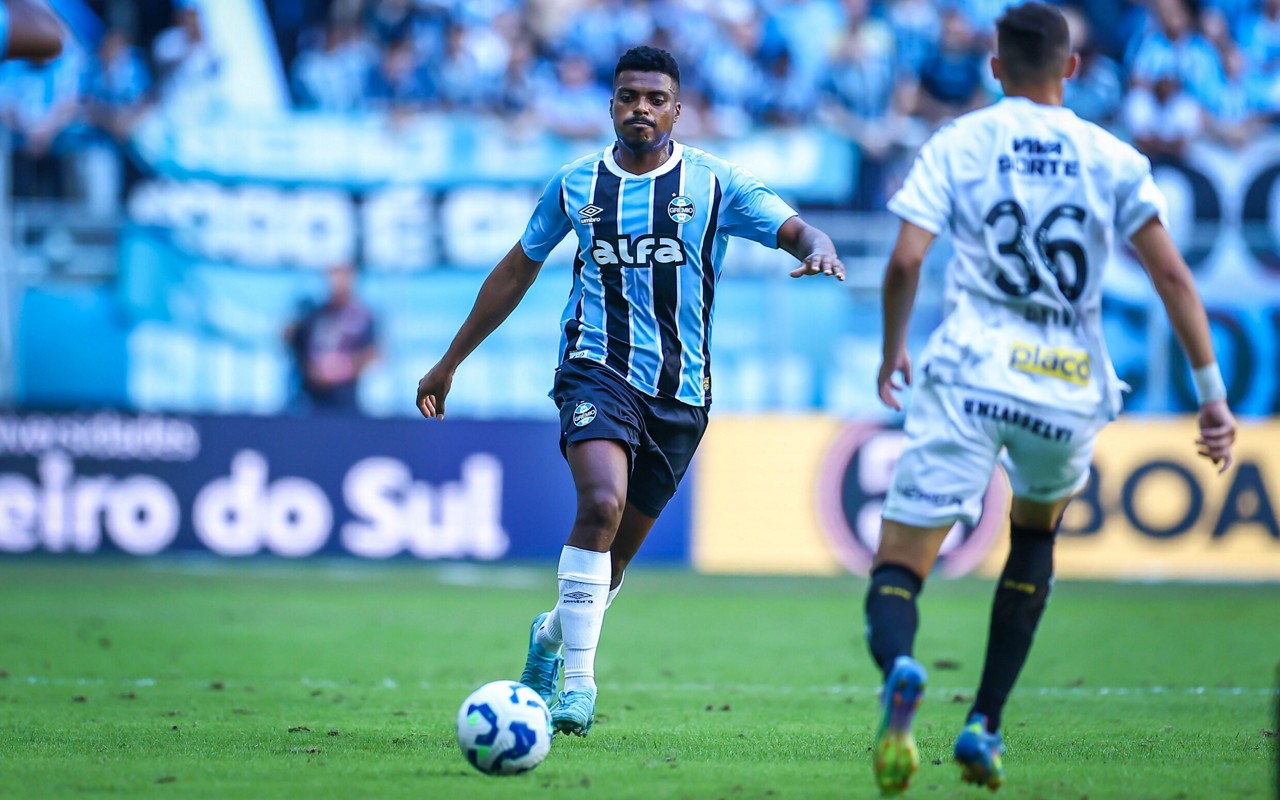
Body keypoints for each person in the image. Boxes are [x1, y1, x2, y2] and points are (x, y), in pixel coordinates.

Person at [416, 46, 844, 736]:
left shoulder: (715, 183)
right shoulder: (575, 184)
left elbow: (797, 228)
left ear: (677, 110)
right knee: (601, 503)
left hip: (681, 393)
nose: (640, 108)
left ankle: (549, 637)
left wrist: (818, 250)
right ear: (611, 105)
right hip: (596, 368)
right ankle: (578, 688)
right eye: (627, 97)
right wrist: (450, 361)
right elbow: (517, 270)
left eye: (654, 98)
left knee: (610, 563)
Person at [863, 3, 1237, 795]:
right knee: (1035, 535)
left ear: (995, 67)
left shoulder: (960, 140)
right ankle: (984, 723)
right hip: (1066, 381)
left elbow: (905, 261)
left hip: (971, 371)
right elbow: (1173, 276)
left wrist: (893, 347)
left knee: (899, 564)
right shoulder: (1113, 156)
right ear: (1072, 67)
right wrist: (1211, 395)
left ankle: (901, 669)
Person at [286, 263, 379, 414]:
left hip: (346, 402)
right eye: (333, 275)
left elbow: (373, 354)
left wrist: (340, 368)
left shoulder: (364, 317)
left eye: (342, 275)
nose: (337, 281)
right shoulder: (313, 314)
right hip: (309, 401)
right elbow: (295, 343)